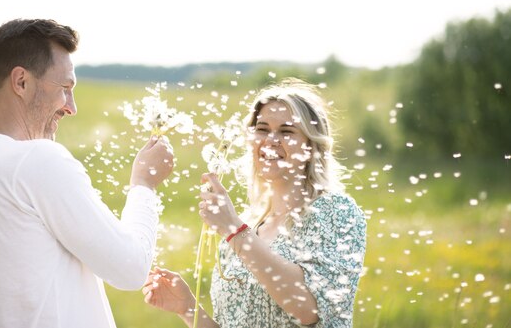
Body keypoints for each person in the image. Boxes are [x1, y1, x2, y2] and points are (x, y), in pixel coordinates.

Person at [0, 19, 175, 328]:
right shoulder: (37, 160)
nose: (71, 107)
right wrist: (144, 183)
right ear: (21, 82)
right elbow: (130, 268)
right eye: (65, 88)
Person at [142, 78, 367, 328]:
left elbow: (309, 309)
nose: (271, 139)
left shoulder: (337, 212)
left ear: (311, 145)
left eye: (287, 131)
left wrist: (234, 231)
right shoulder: (246, 228)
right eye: (262, 129)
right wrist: (188, 308)